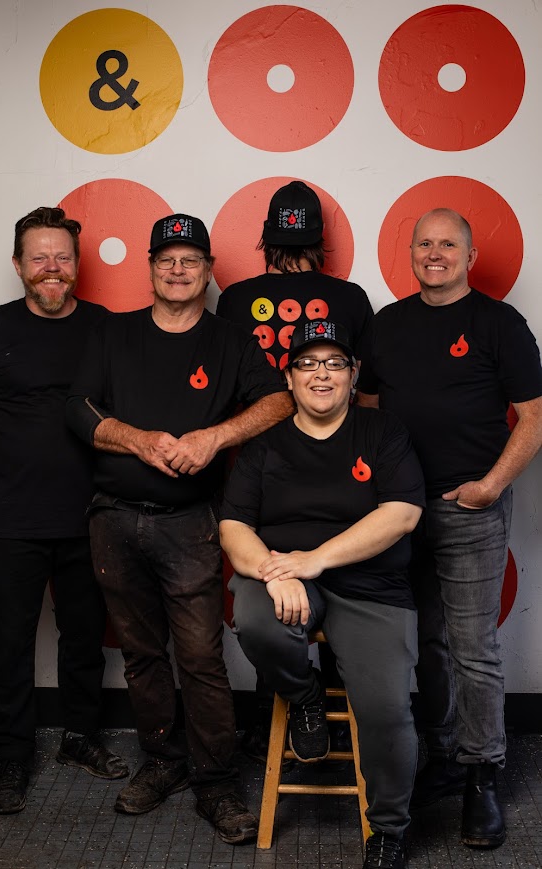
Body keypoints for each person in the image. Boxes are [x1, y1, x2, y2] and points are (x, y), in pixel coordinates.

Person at [66, 213, 292, 844]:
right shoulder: (114, 333)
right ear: (150, 268)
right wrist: (137, 440)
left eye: (190, 260)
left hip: (191, 522)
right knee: (142, 655)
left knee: (199, 655)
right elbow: (76, 409)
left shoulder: (230, 341)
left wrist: (215, 437)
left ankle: (215, 780)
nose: (177, 269)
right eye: (166, 259)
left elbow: (279, 400)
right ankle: (163, 761)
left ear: (209, 271)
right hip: (113, 518)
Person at [357, 208, 542, 849]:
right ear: (410, 252)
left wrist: (489, 487)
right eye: (425, 244)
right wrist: (380, 489)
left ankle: (482, 775)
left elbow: (534, 417)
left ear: (469, 256)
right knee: (426, 642)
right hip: (399, 513)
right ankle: (442, 757)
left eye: (448, 244)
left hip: (470, 509)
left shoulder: (499, 323)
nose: (435, 254)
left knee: (472, 648)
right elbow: (369, 409)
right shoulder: (386, 324)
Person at [221, 319, 425, 869]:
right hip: (286, 577)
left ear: (353, 375)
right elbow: (233, 527)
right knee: (255, 617)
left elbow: (402, 514)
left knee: (386, 710)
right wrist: (274, 572)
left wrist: (316, 559)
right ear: (288, 378)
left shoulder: (383, 431)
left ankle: (388, 828)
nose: (321, 374)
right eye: (308, 363)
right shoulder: (265, 446)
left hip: (373, 586)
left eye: (335, 363)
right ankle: (304, 695)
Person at [0, 207, 128, 815]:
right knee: (10, 642)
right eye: (39, 257)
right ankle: (12, 758)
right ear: (18, 265)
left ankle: (80, 738)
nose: (51, 268)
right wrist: (13, 457)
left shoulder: (106, 328)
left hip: (94, 513)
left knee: (85, 635)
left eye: (62, 257)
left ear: (77, 264)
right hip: (16, 518)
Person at [217, 179, 374, 760]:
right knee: (338, 589)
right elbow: (369, 397)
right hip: (339, 467)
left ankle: (281, 715)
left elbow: (227, 396)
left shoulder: (236, 299)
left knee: (270, 595)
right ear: (319, 240)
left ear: (266, 239)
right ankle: (339, 717)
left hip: (261, 471)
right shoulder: (350, 298)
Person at [216, 179, 373, 370]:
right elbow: (364, 378)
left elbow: (223, 373)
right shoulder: (352, 298)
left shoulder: (233, 299)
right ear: (322, 230)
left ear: (267, 231)